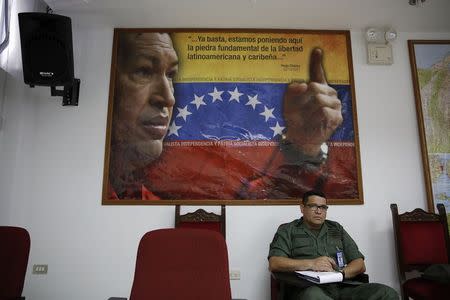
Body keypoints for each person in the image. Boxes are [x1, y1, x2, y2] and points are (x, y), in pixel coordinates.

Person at [268, 190, 398, 299]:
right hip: (308, 289)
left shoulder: (336, 228)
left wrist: (341, 274)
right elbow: (275, 263)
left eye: (323, 207)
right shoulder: (288, 230)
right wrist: (311, 263)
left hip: (342, 286)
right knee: (315, 297)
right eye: (313, 206)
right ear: (302, 208)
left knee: (387, 293)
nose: (319, 211)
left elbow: (359, 264)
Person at [108, 32, 179, 200]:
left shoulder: (148, 201)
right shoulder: (73, 192)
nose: (169, 98)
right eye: (144, 71)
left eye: (171, 75)